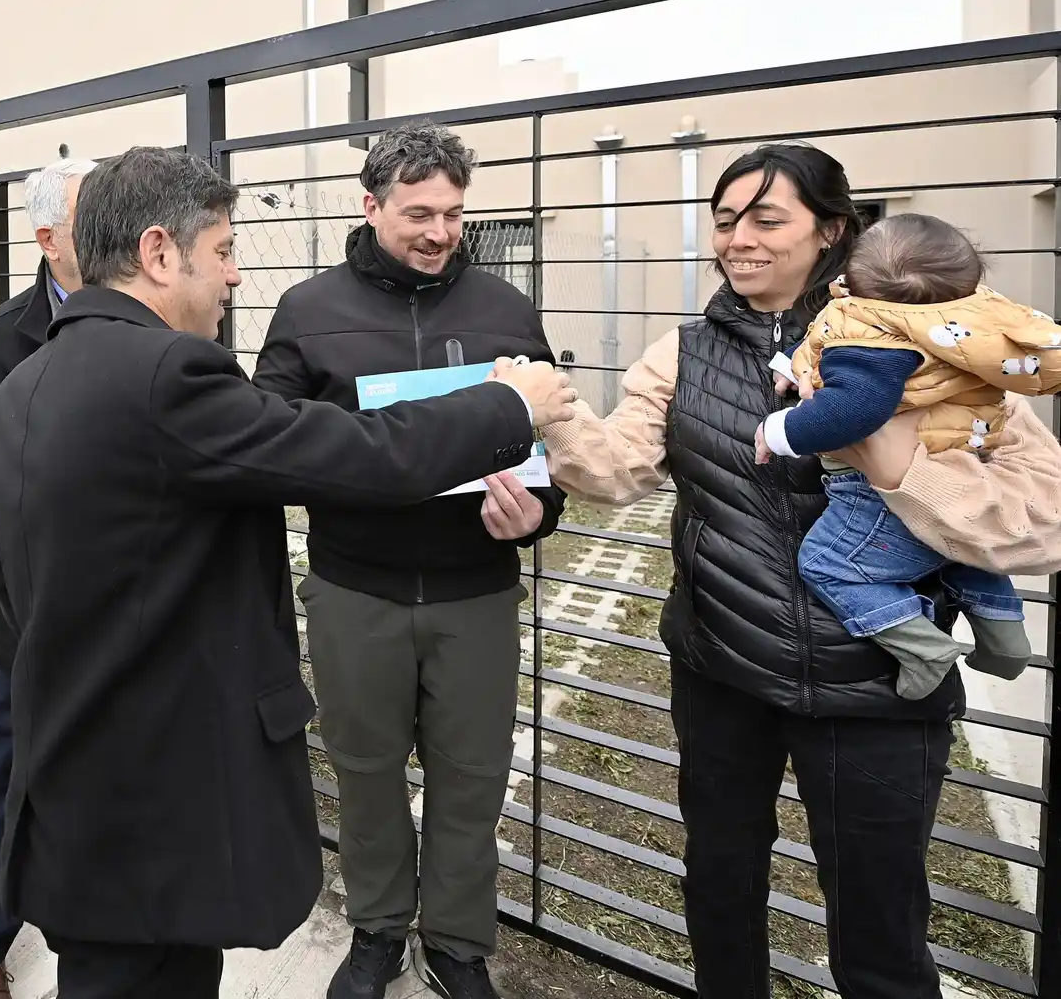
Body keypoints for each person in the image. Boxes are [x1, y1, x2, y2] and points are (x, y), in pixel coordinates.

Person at [0, 145, 575, 999]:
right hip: (152, 788)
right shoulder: (164, 374)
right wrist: (511, 406)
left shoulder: (26, 381)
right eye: (222, 251)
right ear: (156, 253)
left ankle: (451, 941)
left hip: (80, 776)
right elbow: (351, 452)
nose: (236, 278)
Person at [537, 141, 1061, 999]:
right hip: (722, 671)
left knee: (880, 921)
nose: (738, 239)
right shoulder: (681, 354)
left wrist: (901, 468)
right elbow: (618, 472)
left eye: (766, 218)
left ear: (831, 231)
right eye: (724, 220)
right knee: (719, 883)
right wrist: (553, 420)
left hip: (880, 687)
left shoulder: (936, 340)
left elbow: (1043, 517)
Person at [251, 120, 564, 999]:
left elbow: (549, 443)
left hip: (477, 590)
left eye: (455, 216)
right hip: (356, 588)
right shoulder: (309, 310)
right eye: (419, 213)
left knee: (472, 777)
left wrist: (535, 517)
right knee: (365, 771)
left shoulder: (506, 309)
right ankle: (379, 930)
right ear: (372, 204)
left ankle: (459, 943)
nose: (439, 233)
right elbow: (270, 439)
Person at [755, 213, 1058, 701]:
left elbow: (851, 410)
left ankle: (923, 649)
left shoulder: (872, 335)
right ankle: (1003, 632)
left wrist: (778, 429)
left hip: (872, 494)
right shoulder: (966, 324)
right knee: (957, 550)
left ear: (853, 280)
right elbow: (830, 344)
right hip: (966, 457)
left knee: (826, 564)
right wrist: (795, 362)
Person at [0, 154, 97, 999]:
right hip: (36, 614)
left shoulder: (166, 323)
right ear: (48, 239)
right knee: (11, 775)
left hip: (135, 614)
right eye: (93, 216)